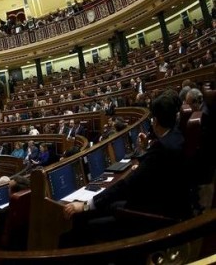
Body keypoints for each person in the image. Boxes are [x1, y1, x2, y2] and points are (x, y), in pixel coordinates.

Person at [62, 93, 193, 245]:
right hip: (171, 202)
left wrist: (85, 205)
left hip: (157, 214)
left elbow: (127, 185)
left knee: (87, 220)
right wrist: (145, 152)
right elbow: (155, 166)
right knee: (111, 204)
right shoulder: (176, 135)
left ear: (155, 121)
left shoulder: (162, 148)